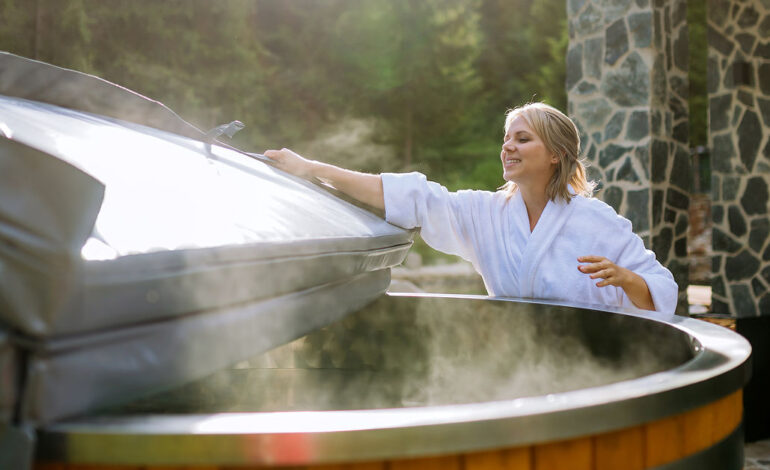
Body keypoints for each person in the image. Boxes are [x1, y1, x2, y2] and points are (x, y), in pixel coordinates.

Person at [265, 102, 678, 313]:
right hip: (520, 363)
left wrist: (625, 278)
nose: (508, 146)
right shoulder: (487, 214)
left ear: (555, 154)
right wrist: (311, 168)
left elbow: (663, 291)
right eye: (506, 138)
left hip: (593, 366)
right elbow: (414, 198)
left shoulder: (596, 220)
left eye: (522, 138)